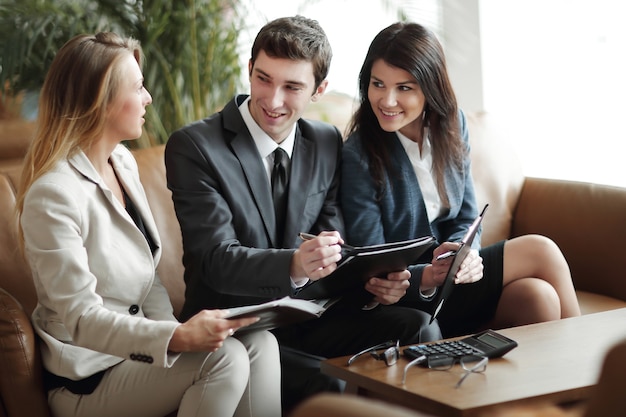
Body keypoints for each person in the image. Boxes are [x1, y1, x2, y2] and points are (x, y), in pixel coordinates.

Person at [165, 15, 442, 408]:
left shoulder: (326, 140)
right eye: (263, 79)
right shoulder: (194, 147)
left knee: (419, 327)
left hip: (312, 317)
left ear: (319, 89)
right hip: (236, 331)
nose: (273, 99)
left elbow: (336, 246)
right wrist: (294, 265)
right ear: (249, 69)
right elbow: (213, 261)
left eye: (292, 86)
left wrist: (377, 281)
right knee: (326, 382)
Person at [14, 32, 281, 417]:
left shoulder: (122, 163)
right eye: (138, 87)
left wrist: (180, 338)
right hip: (88, 378)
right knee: (224, 359)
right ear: (100, 103)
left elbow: (148, 277)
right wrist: (176, 337)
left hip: (139, 358)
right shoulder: (53, 195)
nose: (148, 98)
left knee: (260, 344)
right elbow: (81, 320)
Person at [341, 21, 582, 339]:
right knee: (542, 250)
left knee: (537, 297)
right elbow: (372, 259)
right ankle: (597, 379)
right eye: (378, 84)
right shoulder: (359, 153)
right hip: (412, 293)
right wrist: (427, 274)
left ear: (430, 87)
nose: (387, 100)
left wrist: (465, 254)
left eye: (404, 87)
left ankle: (552, 388)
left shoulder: (453, 124)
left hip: (456, 279)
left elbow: (467, 216)